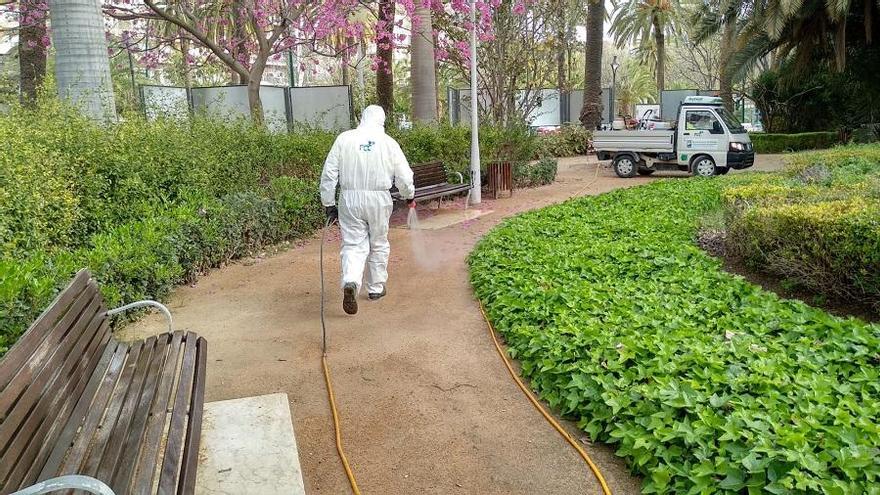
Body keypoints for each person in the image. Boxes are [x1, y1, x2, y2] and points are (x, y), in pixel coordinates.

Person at [320, 105, 415, 315]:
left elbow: (329, 173)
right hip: (379, 198)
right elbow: (405, 176)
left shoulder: (344, 139)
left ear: (362, 118)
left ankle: (351, 281)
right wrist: (409, 195)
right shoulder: (389, 143)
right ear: (382, 121)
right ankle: (376, 288)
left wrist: (328, 203)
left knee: (353, 244)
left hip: (349, 198)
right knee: (378, 242)